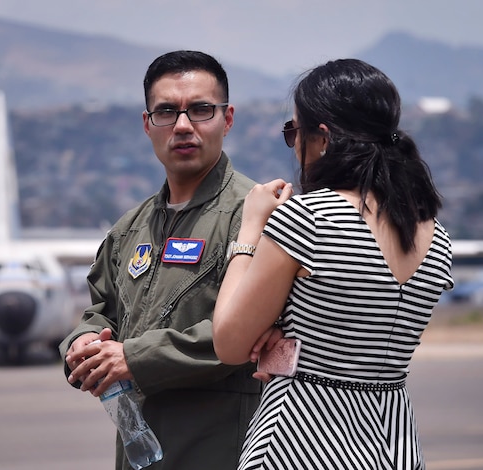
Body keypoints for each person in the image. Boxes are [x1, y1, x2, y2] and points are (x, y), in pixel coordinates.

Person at [213, 58, 454, 469]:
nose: (293, 144)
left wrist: (251, 229)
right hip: (393, 445)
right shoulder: (437, 236)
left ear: (321, 137)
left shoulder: (308, 218)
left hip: (299, 442)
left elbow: (229, 343)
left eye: (293, 132)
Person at [61, 50, 263, 470]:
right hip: (142, 452)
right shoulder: (128, 229)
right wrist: (82, 342)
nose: (184, 126)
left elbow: (248, 332)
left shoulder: (256, 216)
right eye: (167, 112)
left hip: (220, 447)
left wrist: (134, 359)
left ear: (227, 119)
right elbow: (102, 310)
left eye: (201, 110)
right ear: (147, 124)